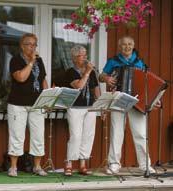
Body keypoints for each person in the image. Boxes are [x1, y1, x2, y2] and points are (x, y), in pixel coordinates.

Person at [99, 36, 156, 174]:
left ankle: (145, 165)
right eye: (124, 44)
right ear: (120, 46)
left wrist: (153, 98)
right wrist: (107, 78)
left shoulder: (140, 62)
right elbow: (101, 76)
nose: (127, 47)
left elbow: (147, 81)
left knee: (141, 134)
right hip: (118, 99)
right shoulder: (113, 61)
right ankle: (114, 164)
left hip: (136, 101)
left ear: (133, 45)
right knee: (116, 132)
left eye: (130, 44)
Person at [7, 33, 48, 177]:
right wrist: (30, 62)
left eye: (34, 44)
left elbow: (43, 80)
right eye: (29, 44)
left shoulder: (40, 60)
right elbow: (21, 77)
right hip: (18, 104)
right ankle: (13, 167)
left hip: (37, 103)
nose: (32, 47)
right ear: (22, 46)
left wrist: (47, 99)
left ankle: (37, 166)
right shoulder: (15, 60)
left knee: (38, 136)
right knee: (17, 135)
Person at [64, 45, 101, 176]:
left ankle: (82, 164)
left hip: (90, 107)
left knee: (88, 135)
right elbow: (79, 85)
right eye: (82, 55)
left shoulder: (91, 72)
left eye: (86, 55)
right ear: (74, 58)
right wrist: (87, 72)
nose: (85, 58)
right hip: (75, 107)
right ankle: (69, 163)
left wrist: (100, 106)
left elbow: (96, 88)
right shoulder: (70, 72)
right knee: (76, 136)